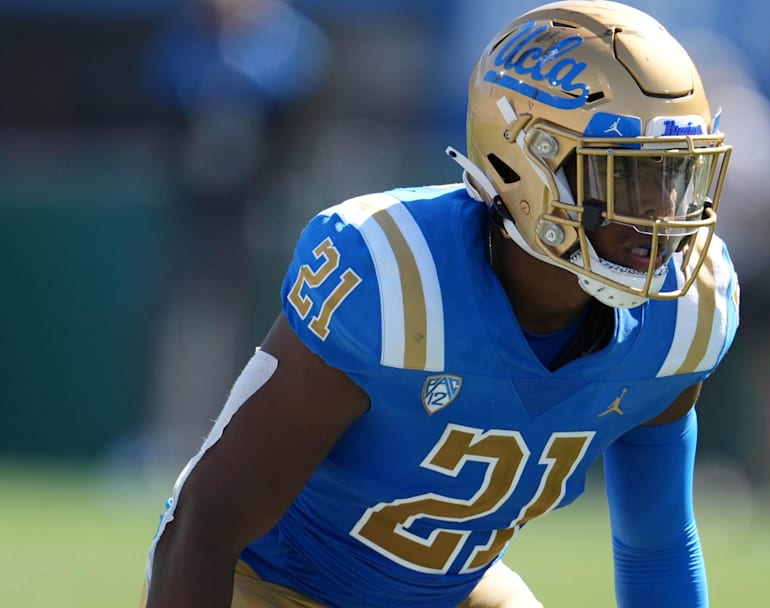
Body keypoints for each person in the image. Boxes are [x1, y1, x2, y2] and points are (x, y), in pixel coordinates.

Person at [142, 1, 739, 606]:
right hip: (276, 582)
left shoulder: (682, 313)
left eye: (676, 176)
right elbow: (204, 523)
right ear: (527, 164)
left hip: (447, 593)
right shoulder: (394, 278)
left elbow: (658, 547)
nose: (664, 211)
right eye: (629, 177)